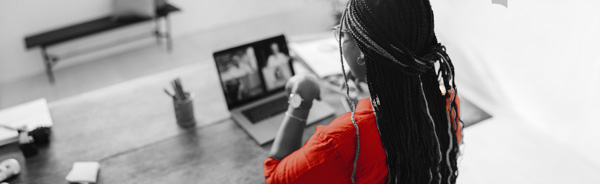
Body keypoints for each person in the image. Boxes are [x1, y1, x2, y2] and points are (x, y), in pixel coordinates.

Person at [264, 0, 463, 183]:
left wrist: (302, 97)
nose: (341, 42)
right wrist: (373, 96)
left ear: (362, 54)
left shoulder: (342, 139)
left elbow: (275, 177)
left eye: (343, 35)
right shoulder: (445, 102)